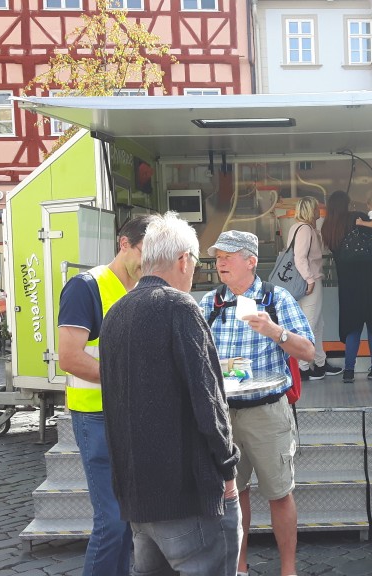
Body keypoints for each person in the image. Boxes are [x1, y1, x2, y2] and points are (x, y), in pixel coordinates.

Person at [99, 212, 242, 576]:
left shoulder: (115, 313)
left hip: (137, 499)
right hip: (186, 498)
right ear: (183, 260)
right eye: (194, 263)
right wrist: (228, 470)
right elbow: (209, 401)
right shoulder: (180, 307)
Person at [199, 230, 315, 576]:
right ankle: (240, 569)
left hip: (267, 412)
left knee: (279, 493)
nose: (220, 262)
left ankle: (288, 571)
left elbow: (309, 352)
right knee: (234, 494)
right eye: (218, 256)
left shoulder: (275, 299)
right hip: (223, 415)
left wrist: (275, 332)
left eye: (228, 255)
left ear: (251, 261)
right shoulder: (209, 303)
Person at [57, 214, 155, 576]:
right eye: (146, 250)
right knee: (112, 521)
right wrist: (125, 380)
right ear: (124, 244)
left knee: (128, 519)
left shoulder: (145, 289)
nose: (150, 261)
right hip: (96, 416)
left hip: (131, 414)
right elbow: (69, 357)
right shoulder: (86, 287)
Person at [321, 190, 372, 383]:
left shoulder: (328, 228)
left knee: (352, 326)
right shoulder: (358, 218)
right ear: (347, 204)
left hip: (347, 283)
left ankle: (349, 371)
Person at [287, 196, 343, 380]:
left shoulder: (298, 228)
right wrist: (310, 279)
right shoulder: (305, 230)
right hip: (309, 282)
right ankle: (303, 368)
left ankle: (319, 363)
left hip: (302, 282)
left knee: (317, 324)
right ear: (311, 211)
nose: (320, 211)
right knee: (309, 325)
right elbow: (299, 257)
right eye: (317, 208)